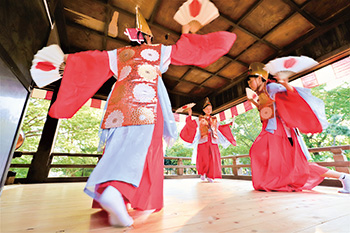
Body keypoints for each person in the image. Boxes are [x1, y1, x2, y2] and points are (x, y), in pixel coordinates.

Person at [30, 8, 237, 227]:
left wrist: (68, 63)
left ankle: (117, 196)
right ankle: (117, 191)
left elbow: (91, 61)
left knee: (120, 147)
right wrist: (188, 33)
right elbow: (184, 51)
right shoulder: (158, 51)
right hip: (148, 103)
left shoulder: (119, 54)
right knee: (144, 148)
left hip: (119, 107)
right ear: (147, 38)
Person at [246, 62, 350, 193]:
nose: (249, 84)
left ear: (260, 78)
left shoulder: (271, 87)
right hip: (271, 130)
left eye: (250, 80)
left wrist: (284, 84)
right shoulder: (262, 93)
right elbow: (267, 110)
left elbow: (291, 93)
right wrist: (254, 102)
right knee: (290, 165)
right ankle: (344, 177)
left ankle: (344, 177)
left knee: (261, 151)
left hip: (281, 131)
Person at [179, 97, 236, 182]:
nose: (209, 110)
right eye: (207, 109)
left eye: (210, 109)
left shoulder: (214, 119)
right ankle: (203, 173)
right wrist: (190, 115)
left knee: (213, 158)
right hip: (203, 140)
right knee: (203, 158)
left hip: (213, 140)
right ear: (204, 110)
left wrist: (229, 124)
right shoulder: (200, 119)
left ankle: (210, 175)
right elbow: (191, 124)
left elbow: (220, 127)